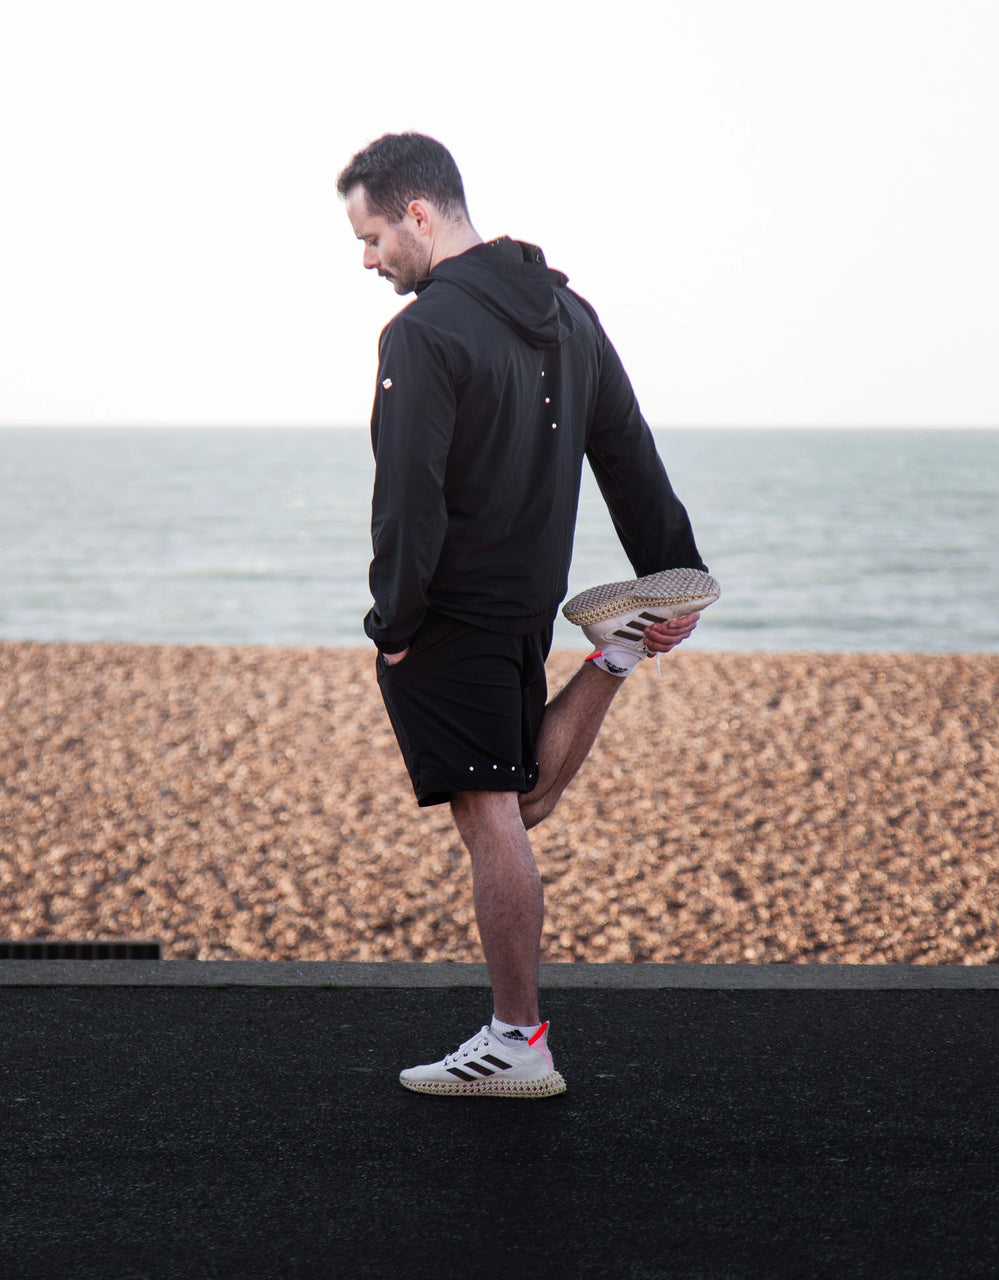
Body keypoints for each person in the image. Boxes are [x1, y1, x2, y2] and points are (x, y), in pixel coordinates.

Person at [336, 133, 718, 1098]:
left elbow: (408, 499)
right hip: (526, 606)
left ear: (420, 213)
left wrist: (396, 621)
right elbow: (629, 453)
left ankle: (517, 1039)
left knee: (492, 816)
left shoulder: (422, 334)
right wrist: (676, 575)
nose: (368, 258)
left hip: (452, 613)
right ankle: (615, 653)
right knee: (525, 800)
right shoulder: (569, 314)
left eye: (374, 234)